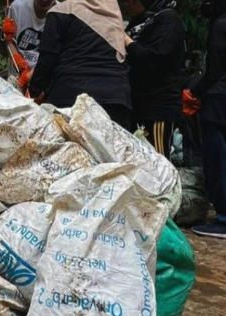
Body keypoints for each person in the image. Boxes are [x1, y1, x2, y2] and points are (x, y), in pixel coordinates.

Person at [28, 0, 133, 130]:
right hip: (115, 99)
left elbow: (46, 62)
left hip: (70, 97)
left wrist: (32, 94)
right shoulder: (113, 14)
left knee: (69, 150)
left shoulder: (61, 11)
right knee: (113, 150)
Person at [122, 0, 185, 159]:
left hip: (158, 107)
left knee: (158, 163)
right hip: (136, 105)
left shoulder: (168, 19)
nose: (127, 3)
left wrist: (125, 40)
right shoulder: (139, 21)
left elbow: (153, 60)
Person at [186, 0, 226, 238]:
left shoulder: (220, 25)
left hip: (219, 104)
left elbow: (214, 71)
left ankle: (223, 219)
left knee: (218, 161)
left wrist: (194, 93)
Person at [7, 0, 57, 88]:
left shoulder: (61, 14)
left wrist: (30, 75)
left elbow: (55, 56)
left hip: (44, 79)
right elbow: (8, 40)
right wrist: (17, 60)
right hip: (16, 77)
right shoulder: (17, 7)